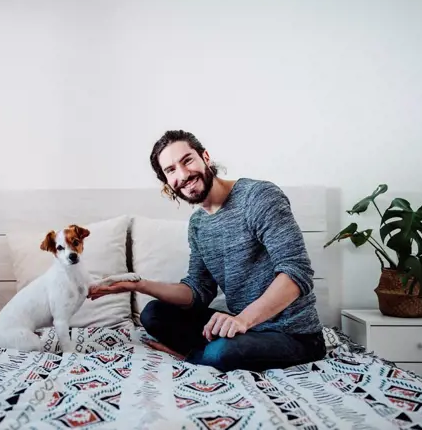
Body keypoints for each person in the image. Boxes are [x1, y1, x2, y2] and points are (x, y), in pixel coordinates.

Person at [88, 130, 326, 372]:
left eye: (187, 160)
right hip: (243, 330)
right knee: (153, 314)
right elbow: (197, 291)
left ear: (205, 157)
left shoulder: (258, 197)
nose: (183, 174)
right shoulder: (198, 224)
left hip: (294, 335)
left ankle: (196, 356)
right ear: (167, 182)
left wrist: (242, 319)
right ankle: (205, 354)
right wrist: (138, 285)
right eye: (171, 170)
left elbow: (296, 272)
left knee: (220, 352)